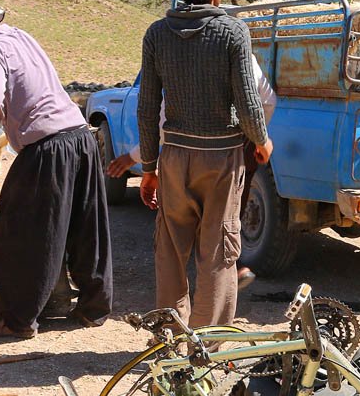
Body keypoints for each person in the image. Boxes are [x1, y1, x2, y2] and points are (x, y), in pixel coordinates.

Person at [0, 0, 113, 338]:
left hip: (48, 146)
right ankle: (93, 309)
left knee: (19, 230)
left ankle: (19, 320)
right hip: (80, 137)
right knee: (86, 226)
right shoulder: (22, 36)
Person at [137, 0, 273, 327]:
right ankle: (206, 344)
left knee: (170, 249)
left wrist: (149, 168)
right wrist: (261, 139)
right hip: (221, 160)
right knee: (217, 251)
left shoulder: (157, 34)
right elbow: (247, 97)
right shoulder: (232, 31)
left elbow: (147, 108)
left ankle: (168, 336)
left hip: (175, 156)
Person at [107, 53, 276, 291]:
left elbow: (161, 122)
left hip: (189, 157)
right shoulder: (239, 50)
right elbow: (267, 101)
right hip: (237, 151)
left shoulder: (179, 58)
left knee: (185, 225)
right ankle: (223, 282)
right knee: (226, 219)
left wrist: (137, 160)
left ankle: (187, 292)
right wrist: (257, 139)